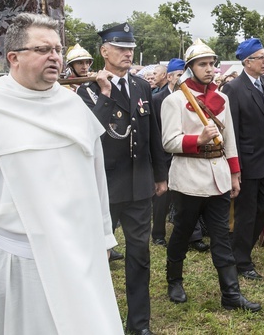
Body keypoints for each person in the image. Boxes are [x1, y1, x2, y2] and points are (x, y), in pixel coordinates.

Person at [0, 13, 123, 334]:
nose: (55, 56)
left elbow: (96, 180)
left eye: (57, 49)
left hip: (78, 251)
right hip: (15, 261)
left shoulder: (73, 107)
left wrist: (104, 236)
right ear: (14, 57)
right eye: (42, 49)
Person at [78, 22, 168, 335]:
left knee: (139, 256)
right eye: (120, 48)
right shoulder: (87, 89)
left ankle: (139, 324)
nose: (128, 53)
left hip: (139, 185)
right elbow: (88, 132)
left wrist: (160, 174)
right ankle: (94, 320)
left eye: (130, 48)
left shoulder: (143, 87)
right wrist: (104, 94)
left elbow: (152, 132)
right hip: (104, 186)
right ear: (104, 51)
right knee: (95, 256)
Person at [160, 40, 260, 312]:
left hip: (219, 177)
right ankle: (174, 281)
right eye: (202, 64)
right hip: (189, 176)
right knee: (181, 232)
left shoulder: (222, 99)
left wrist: (235, 173)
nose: (209, 69)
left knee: (221, 237)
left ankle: (231, 294)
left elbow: (230, 140)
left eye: (212, 64)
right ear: (190, 68)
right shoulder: (175, 100)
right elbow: (169, 142)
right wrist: (198, 139)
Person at [222, 38, 264, 280]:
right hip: (246, 160)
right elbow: (231, 130)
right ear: (248, 61)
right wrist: (235, 166)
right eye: (261, 58)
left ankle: (239, 248)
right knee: (246, 212)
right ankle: (242, 261)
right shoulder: (233, 88)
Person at [151, 58, 207, 251]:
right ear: (169, 77)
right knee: (163, 197)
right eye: (178, 75)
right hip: (163, 154)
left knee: (188, 195)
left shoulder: (190, 98)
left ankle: (194, 236)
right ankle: (158, 234)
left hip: (186, 152)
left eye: (185, 75)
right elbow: (155, 130)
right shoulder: (157, 99)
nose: (182, 79)